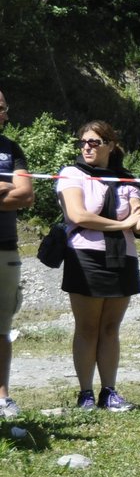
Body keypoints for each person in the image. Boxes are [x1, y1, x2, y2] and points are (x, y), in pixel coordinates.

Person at [57, 121, 140, 410]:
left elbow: (138, 223)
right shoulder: (71, 174)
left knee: (110, 328)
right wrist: (121, 224)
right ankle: (85, 393)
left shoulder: (127, 181)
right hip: (85, 256)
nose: (87, 146)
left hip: (123, 258)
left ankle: (109, 391)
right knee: (87, 328)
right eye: (83, 142)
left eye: (94, 142)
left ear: (110, 146)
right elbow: (78, 215)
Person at [0, 88, 33, 419]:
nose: (5, 115)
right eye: (0, 108)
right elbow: (13, 190)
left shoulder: (11, 149)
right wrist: (5, 186)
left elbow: (25, 195)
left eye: (4, 108)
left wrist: (10, 187)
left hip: (5, 250)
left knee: (1, 326)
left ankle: (2, 398)